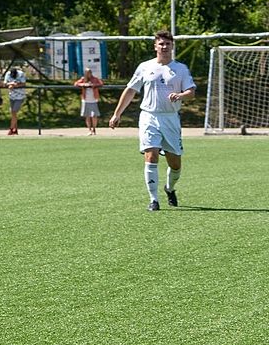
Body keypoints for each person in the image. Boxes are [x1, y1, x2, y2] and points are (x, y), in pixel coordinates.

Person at [109, 31, 196, 211]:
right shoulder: (145, 67)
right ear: (155, 46)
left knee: (175, 164)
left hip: (170, 118)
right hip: (149, 116)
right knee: (151, 155)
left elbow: (191, 92)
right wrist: (117, 114)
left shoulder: (180, 69)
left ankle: (169, 188)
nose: (164, 47)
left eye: (167, 44)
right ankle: (153, 200)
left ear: (172, 46)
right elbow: (131, 90)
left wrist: (180, 95)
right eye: (161, 43)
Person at [74, 67, 104, 135]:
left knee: (94, 115)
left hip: (94, 100)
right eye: (87, 73)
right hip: (85, 100)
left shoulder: (95, 79)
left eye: (89, 72)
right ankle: (89, 130)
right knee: (87, 116)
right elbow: (76, 83)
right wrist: (83, 85)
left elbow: (101, 83)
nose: (89, 74)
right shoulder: (83, 79)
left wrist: (93, 85)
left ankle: (94, 129)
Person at [4, 66, 27, 135]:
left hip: (20, 96)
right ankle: (15, 129)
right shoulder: (8, 74)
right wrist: (10, 84)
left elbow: (23, 83)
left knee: (14, 111)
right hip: (12, 96)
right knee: (13, 113)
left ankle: (11, 129)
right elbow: (5, 83)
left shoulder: (21, 74)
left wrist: (15, 85)